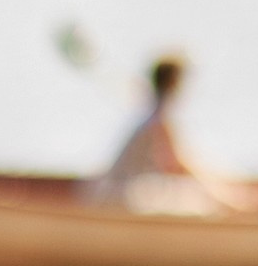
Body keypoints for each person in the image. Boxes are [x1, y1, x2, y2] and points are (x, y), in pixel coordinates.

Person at [89, 55, 225, 216]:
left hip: (113, 195)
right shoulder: (161, 121)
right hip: (122, 200)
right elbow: (179, 167)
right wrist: (232, 200)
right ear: (175, 83)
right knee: (197, 201)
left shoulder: (154, 116)